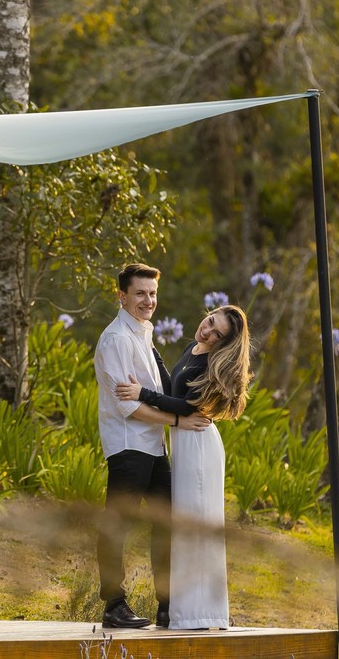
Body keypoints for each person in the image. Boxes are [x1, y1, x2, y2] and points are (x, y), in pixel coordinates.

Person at [115, 304, 251, 630]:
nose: (208, 332)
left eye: (217, 334)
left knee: (196, 524)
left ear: (224, 343)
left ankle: (202, 614)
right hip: (185, 443)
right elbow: (171, 382)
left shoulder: (212, 363)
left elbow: (187, 407)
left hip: (199, 443)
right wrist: (150, 350)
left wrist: (140, 394)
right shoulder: (194, 348)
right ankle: (182, 611)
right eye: (209, 322)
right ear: (208, 313)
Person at [93, 262, 212, 629]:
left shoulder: (142, 332)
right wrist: (179, 420)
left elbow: (157, 391)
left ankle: (168, 604)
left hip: (155, 447)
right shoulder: (116, 339)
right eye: (140, 293)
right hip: (129, 448)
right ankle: (114, 605)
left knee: (168, 524)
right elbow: (127, 407)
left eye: (153, 293)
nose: (148, 300)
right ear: (122, 295)